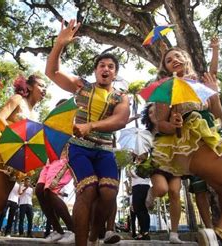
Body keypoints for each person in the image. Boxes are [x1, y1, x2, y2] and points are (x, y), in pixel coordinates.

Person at [145, 45, 222, 246]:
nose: (174, 59)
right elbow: (161, 124)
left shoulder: (200, 84)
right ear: (165, 67)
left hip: (212, 140)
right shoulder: (167, 86)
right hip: (192, 144)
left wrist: (214, 93)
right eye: (168, 59)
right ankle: (216, 239)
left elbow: (217, 116)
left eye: (177, 56)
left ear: (186, 58)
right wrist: (172, 125)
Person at [45, 19, 130, 246]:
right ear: (95, 70)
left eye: (110, 67)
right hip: (78, 148)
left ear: (115, 74)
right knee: (87, 190)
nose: (106, 69)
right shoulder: (82, 86)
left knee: (109, 192)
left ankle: (95, 233)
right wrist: (59, 45)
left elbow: (121, 119)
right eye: (102, 65)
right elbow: (52, 72)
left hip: (104, 149)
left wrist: (91, 126)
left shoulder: (121, 97)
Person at [0, 74, 46, 245]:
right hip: (1, 150)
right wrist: (19, 135)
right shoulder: (18, 99)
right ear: (29, 87)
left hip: (16, 156)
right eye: (41, 86)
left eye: (45, 87)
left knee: (1, 202)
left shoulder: (34, 113)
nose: (44, 90)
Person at [36, 100, 75, 244]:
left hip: (65, 159)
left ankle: (74, 231)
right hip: (50, 160)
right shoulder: (52, 125)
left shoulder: (74, 122)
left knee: (50, 191)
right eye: (57, 108)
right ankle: (58, 231)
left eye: (61, 109)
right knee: (40, 191)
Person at [129, 153, 151, 240]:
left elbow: (134, 174)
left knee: (140, 209)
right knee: (141, 210)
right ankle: (143, 232)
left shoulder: (145, 164)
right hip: (137, 187)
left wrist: (130, 166)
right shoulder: (136, 165)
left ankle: (145, 232)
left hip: (141, 187)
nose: (137, 158)